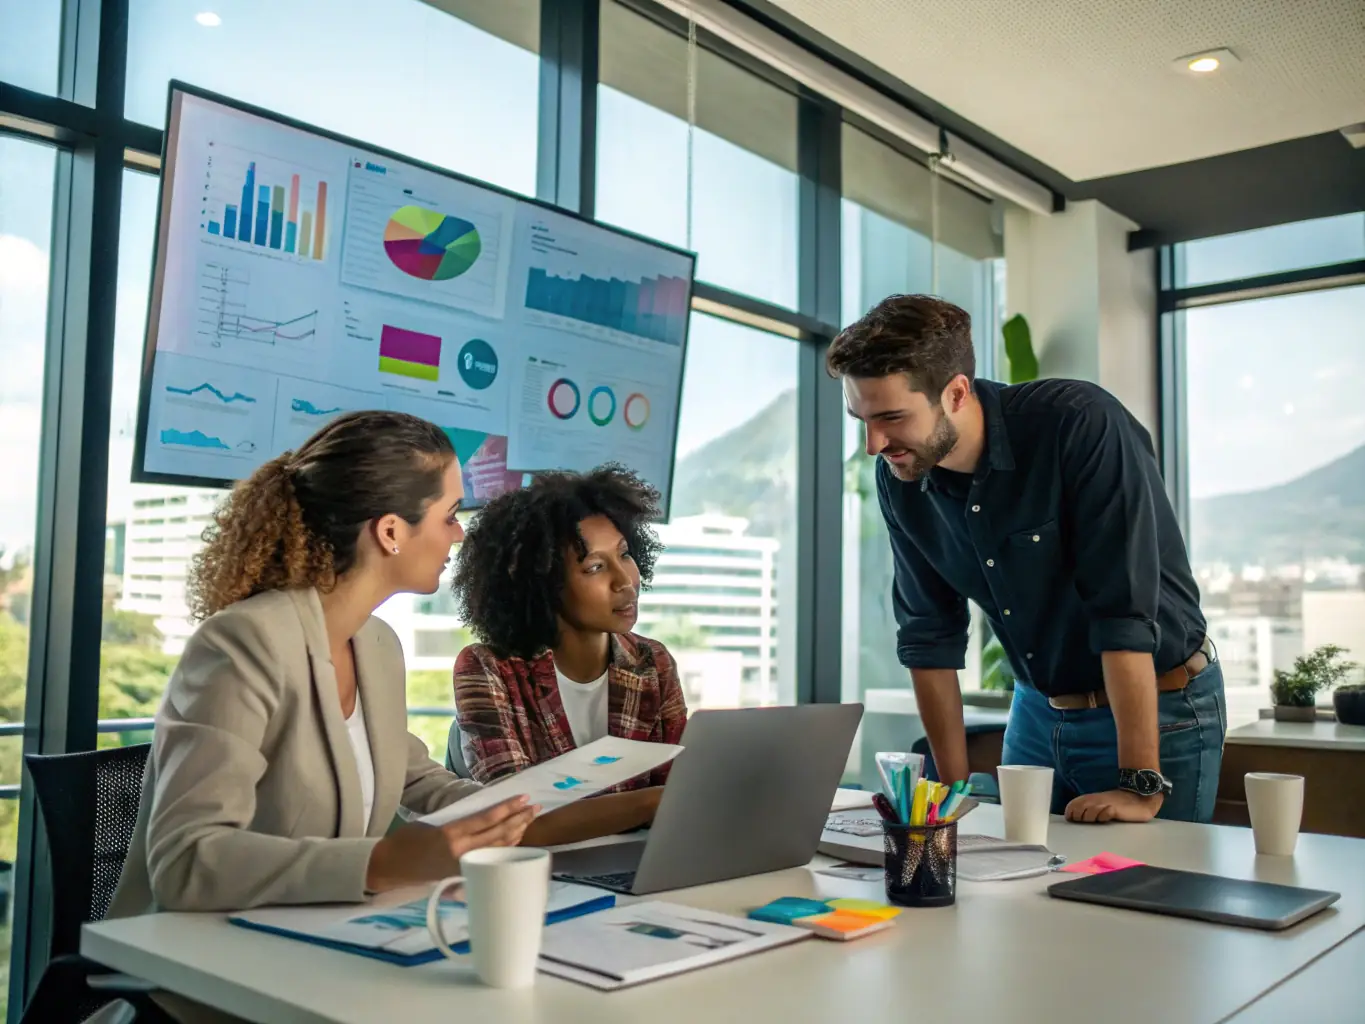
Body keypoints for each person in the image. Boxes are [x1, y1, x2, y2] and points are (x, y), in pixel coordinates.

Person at [109, 412, 657, 926]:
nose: (459, 535)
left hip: (318, 940)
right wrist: (384, 861)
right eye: (448, 516)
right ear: (391, 531)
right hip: (198, 965)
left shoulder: (376, 646)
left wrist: (546, 812)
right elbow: (185, 860)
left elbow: (426, 786)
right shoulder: (243, 643)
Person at [828, 295, 1226, 824]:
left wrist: (1139, 783)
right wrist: (951, 793)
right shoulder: (903, 477)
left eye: (891, 418)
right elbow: (928, 634)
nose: (875, 443)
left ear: (955, 393)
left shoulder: (1079, 425)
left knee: (1148, 897)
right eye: (861, 419)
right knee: (1016, 886)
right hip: (1037, 712)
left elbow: (1124, 614)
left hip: (1159, 709)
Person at [451, 465, 687, 794]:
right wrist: (660, 803)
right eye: (595, 567)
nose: (624, 582)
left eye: (625, 555)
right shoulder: (489, 668)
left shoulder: (653, 662)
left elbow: (678, 780)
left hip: (643, 848)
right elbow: (515, 808)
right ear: (542, 582)